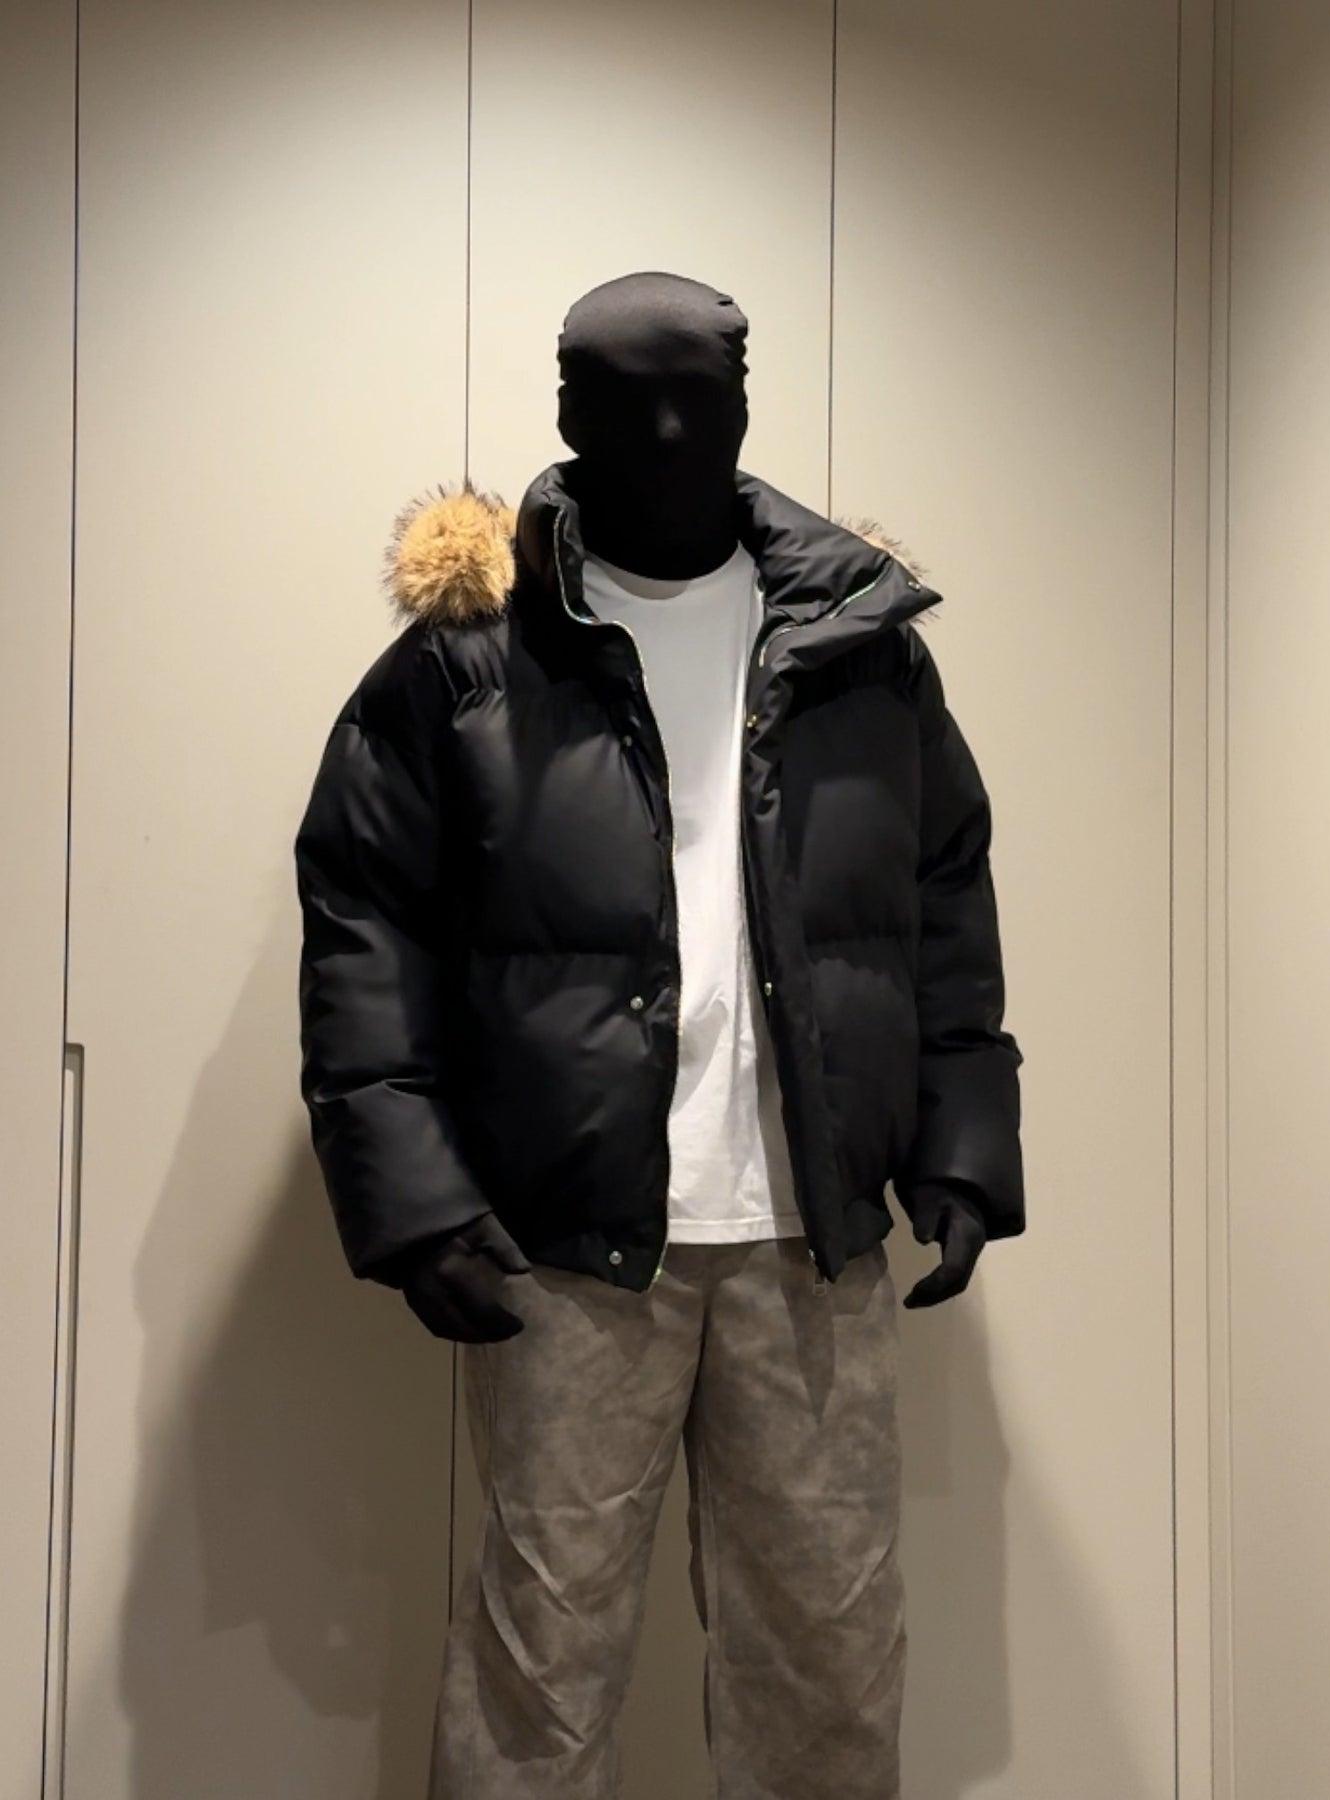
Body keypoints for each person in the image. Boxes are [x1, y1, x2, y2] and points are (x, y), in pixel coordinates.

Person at [293, 270, 1025, 1799]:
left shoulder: (857, 641)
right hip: (565, 1244)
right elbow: (366, 925)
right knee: (539, 1675)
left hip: (810, 1236)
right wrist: (414, 1206)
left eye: (705, 399)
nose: (675, 434)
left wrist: (961, 1145)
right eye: (632, 404)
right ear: (567, 415)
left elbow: (940, 898)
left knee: (827, 1665)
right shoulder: (471, 655)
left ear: (748, 406)